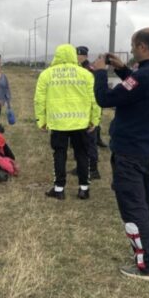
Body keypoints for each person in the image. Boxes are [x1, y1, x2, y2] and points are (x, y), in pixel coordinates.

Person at [91, 28, 149, 282]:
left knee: (133, 206)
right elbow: (138, 90)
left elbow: (105, 98)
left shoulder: (144, 77)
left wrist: (99, 72)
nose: (130, 50)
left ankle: (145, 265)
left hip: (130, 151)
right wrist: (121, 70)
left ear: (141, 46)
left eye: (132, 45)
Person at [34, 44, 101, 200]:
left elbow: (39, 100)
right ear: (73, 55)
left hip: (58, 123)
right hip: (81, 122)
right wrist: (94, 120)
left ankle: (59, 189)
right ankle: (84, 189)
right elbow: (95, 99)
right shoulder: (86, 74)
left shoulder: (46, 75)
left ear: (56, 55)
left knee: (59, 154)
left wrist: (41, 120)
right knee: (82, 154)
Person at [77, 46, 103, 180]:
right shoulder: (81, 69)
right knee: (82, 142)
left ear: (84, 56)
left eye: (78, 55)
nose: (76, 58)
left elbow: (93, 92)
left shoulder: (89, 70)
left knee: (90, 141)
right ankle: (82, 166)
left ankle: (93, 170)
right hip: (81, 110)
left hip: (89, 109)